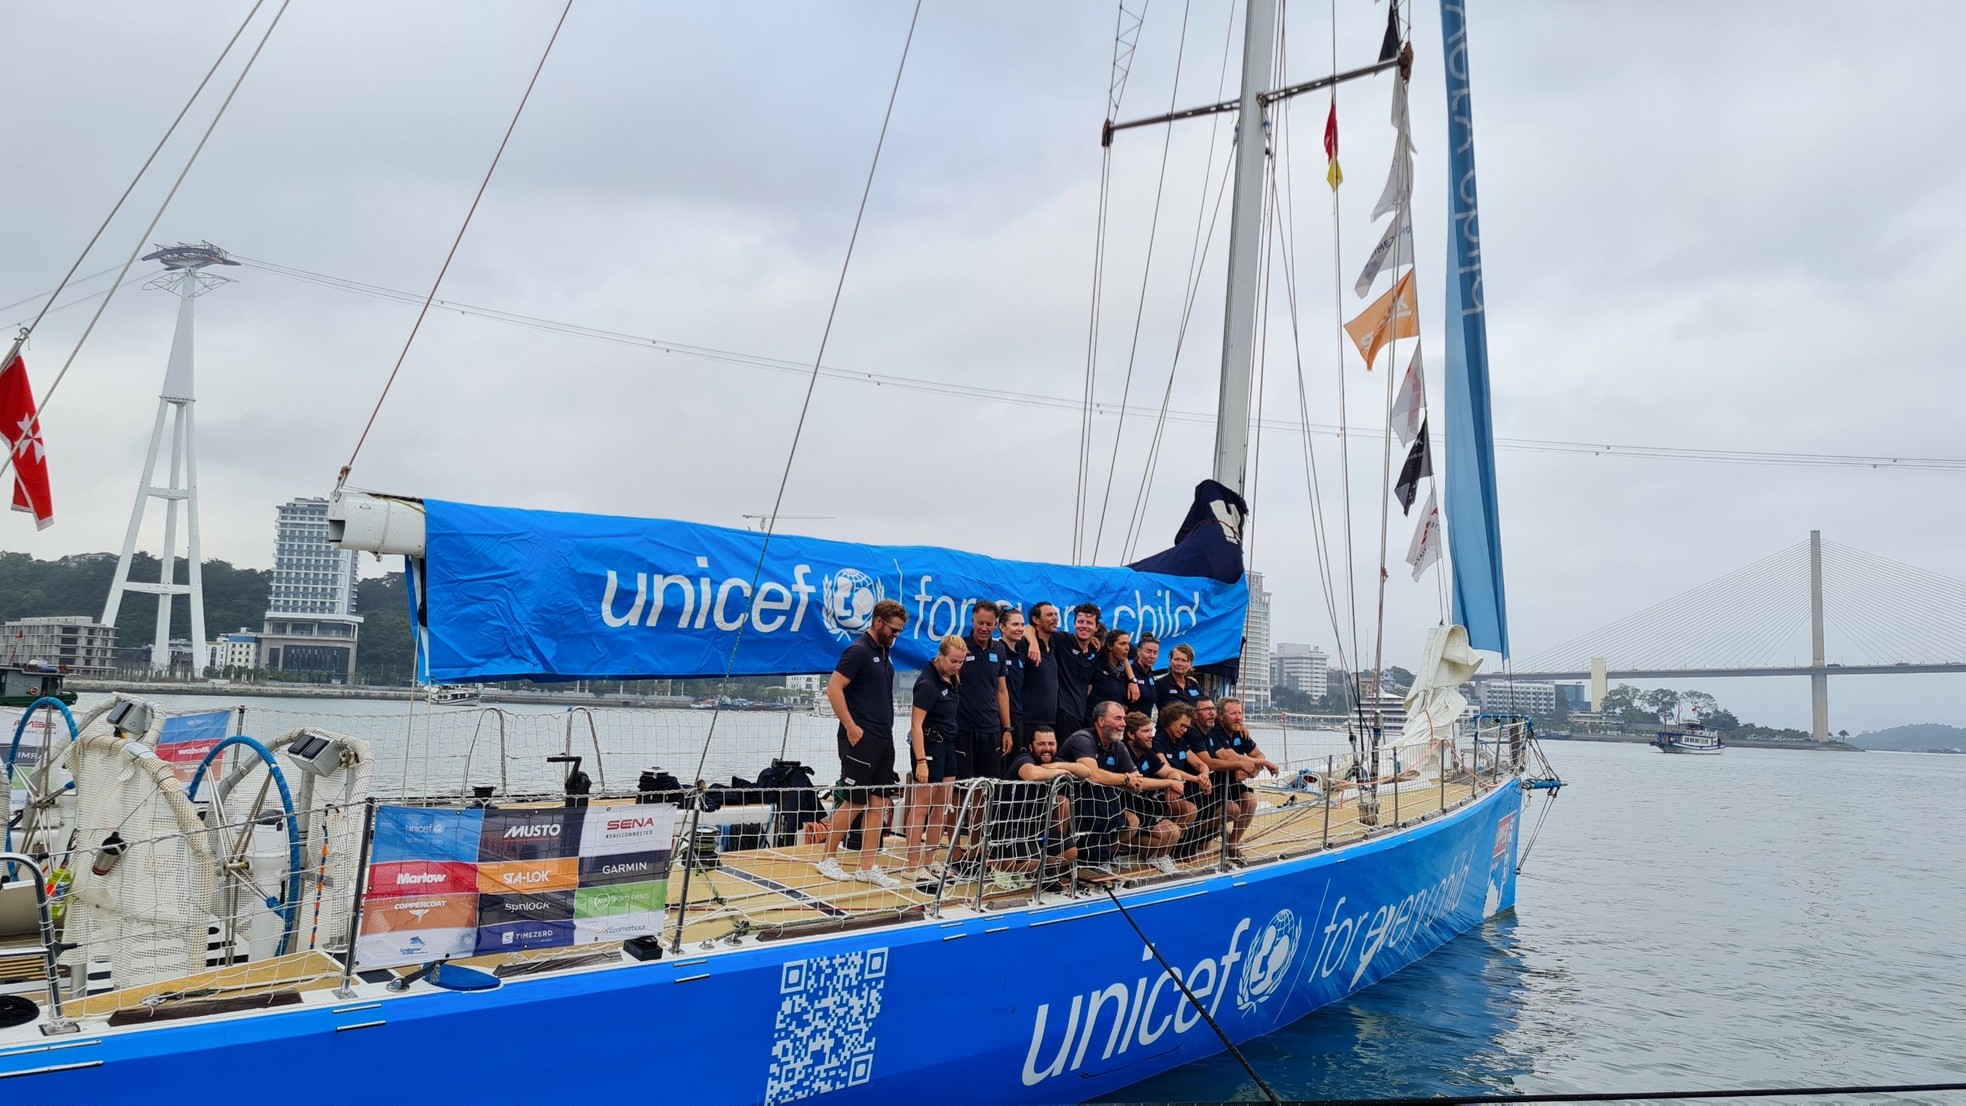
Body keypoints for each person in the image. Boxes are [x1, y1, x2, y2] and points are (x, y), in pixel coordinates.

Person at [819, 599, 908, 889]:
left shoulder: (884, 653)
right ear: (879, 622)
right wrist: (851, 726)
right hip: (860, 737)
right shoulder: (857, 651)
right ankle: (827, 857)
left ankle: (867, 866)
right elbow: (834, 689)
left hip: (884, 738)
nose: (896, 635)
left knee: (879, 801)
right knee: (855, 801)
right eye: (893, 629)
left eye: (900, 631)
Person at [1060, 701, 1180, 871]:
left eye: (1124, 719)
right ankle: (1083, 863)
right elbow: (1093, 774)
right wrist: (1125, 779)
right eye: (1118, 718)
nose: (1123, 723)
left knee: (1131, 822)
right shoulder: (1083, 739)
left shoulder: (1118, 747)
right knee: (1112, 814)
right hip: (1073, 802)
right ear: (1101, 722)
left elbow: (1137, 781)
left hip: (1102, 806)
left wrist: (1171, 781)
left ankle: (1105, 858)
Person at [901, 635, 965, 881]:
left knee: (942, 805)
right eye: (952, 661)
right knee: (921, 806)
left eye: (960, 662)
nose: (956, 666)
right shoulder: (927, 684)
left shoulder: (951, 679)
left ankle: (931, 859)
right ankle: (912, 864)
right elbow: (916, 725)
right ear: (940, 655)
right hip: (928, 746)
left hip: (948, 745)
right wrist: (921, 762)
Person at [990, 725, 1084, 880]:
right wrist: (1056, 772)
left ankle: (1042, 874)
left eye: (1051, 744)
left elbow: (1086, 771)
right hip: (1008, 826)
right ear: (1030, 746)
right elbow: (1032, 774)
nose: (1047, 749)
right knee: (1032, 860)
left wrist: (1058, 765)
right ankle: (996, 865)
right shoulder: (1024, 759)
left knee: (1070, 852)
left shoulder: (1054, 762)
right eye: (1041, 744)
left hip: (1037, 828)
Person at [1213, 697, 1282, 859]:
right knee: (1230, 810)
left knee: (1250, 801)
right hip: (1216, 781)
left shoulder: (1240, 732)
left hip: (1234, 780)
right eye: (1233, 714)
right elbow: (1230, 756)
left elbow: (1258, 753)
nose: (1238, 717)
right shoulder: (1214, 731)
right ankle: (1212, 830)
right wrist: (1262, 763)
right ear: (1221, 716)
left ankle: (1232, 844)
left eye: (1240, 713)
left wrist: (1252, 769)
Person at [1124, 711, 1193, 872]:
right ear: (1131, 734)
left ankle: (1158, 857)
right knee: (1168, 832)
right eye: (1145, 731)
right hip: (1126, 806)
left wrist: (1174, 782)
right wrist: (1169, 782)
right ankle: (1123, 850)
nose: (1151, 736)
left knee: (1174, 831)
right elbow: (1138, 783)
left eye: (1151, 731)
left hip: (1146, 807)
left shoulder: (1147, 753)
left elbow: (1169, 771)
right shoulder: (1124, 752)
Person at [954, 601, 1013, 781]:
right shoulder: (959, 646)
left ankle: (980, 812)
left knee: (986, 786)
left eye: (989, 624)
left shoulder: (999, 649)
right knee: (960, 786)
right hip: (963, 728)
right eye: (980, 623)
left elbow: (1001, 691)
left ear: (996, 625)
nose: (984, 628)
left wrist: (1007, 729)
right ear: (972, 621)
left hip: (991, 729)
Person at [1052, 603, 1103, 737]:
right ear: (1074, 624)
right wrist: (1033, 644)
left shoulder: (1096, 650)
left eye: (1089, 623)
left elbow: (1128, 653)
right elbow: (1032, 629)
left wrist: (1132, 680)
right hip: (1061, 713)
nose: (1084, 626)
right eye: (1080, 621)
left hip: (1082, 714)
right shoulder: (1062, 640)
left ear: (1096, 627)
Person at [1019, 602, 1060, 752]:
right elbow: (1024, 628)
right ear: (1036, 620)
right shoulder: (1025, 645)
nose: (1055, 618)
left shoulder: (1055, 644)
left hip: (1050, 721)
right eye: (1049, 615)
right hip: (1028, 720)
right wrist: (1033, 642)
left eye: (1055, 614)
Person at [997, 606, 1029, 757]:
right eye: (1015, 624)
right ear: (1002, 627)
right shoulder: (996, 651)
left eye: (1022, 625)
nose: (1020, 629)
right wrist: (1006, 727)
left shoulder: (1021, 656)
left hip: (1018, 717)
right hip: (1000, 719)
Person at [1087, 628, 1137, 707]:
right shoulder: (1096, 666)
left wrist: (1133, 681)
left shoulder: (1124, 672)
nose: (1127, 648)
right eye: (1122, 643)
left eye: (1128, 644)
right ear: (1110, 646)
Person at [1154, 643, 1205, 719]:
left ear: (1190, 664)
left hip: (1192, 729)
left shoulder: (1194, 685)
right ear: (1170, 661)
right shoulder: (1159, 684)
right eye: (1176, 659)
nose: (1179, 664)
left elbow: (1204, 707)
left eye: (1184, 660)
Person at [1130, 634, 1161, 709]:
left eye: (1155, 653)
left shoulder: (1150, 674)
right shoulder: (1129, 673)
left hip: (1146, 719)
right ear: (1139, 651)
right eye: (1148, 651)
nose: (1152, 656)